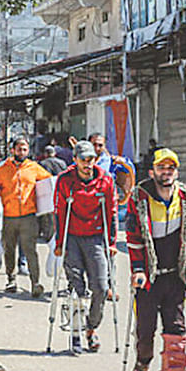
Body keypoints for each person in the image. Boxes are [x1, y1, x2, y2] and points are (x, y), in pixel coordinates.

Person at [125, 148, 186, 371]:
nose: (166, 172)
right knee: (146, 330)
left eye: (171, 168)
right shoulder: (139, 197)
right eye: (162, 168)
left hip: (175, 276)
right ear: (152, 172)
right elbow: (134, 237)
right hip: (149, 276)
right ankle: (143, 362)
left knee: (177, 329)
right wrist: (138, 269)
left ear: (176, 172)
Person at [54, 141, 118, 353]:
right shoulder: (65, 181)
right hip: (71, 238)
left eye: (91, 159)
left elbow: (112, 212)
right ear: (75, 160)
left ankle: (91, 328)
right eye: (83, 160)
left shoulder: (105, 181)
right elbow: (60, 212)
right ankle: (75, 332)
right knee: (77, 289)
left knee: (100, 287)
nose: (87, 164)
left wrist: (113, 242)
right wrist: (59, 244)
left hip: (96, 238)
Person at [0, 137, 52, 296]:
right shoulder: (3, 169)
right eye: (19, 149)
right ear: (12, 150)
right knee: (9, 250)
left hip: (29, 217)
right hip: (8, 217)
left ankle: (35, 283)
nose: (22, 152)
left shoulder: (34, 168)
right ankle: (11, 280)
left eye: (25, 149)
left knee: (30, 251)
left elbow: (49, 182)